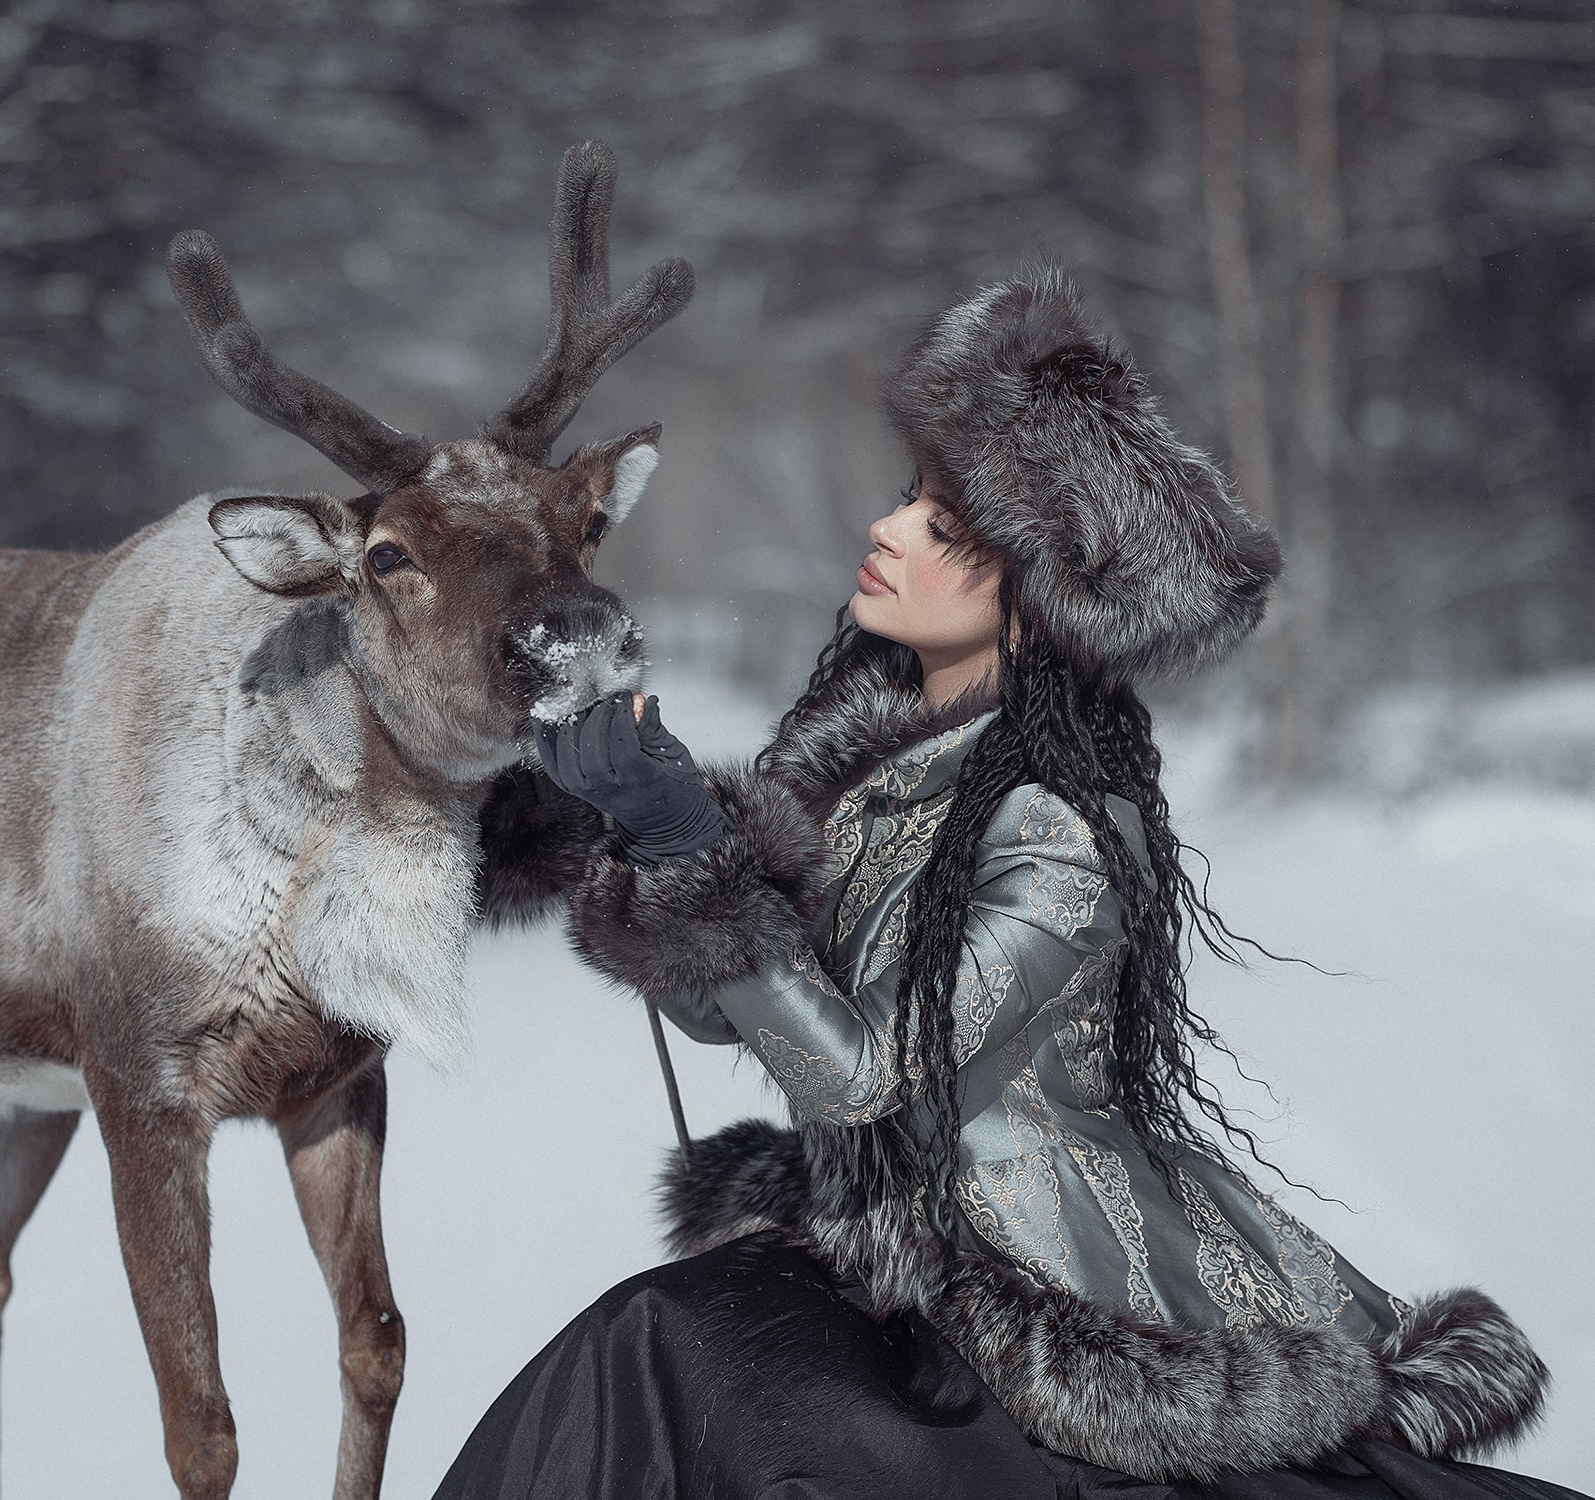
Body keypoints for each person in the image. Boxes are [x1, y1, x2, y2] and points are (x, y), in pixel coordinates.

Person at [447, 269, 1580, 1499]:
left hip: (1045, 1296)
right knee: (645, 1356)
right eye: (902, 505)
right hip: (876, 1243)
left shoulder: (1062, 832)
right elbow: (738, 1011)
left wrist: (696, 857)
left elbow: (870, 1070)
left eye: (940, 530)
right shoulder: (869, 776)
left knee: (675, 1361)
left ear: (1040, 610)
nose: (884, 534)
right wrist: (657, 842)